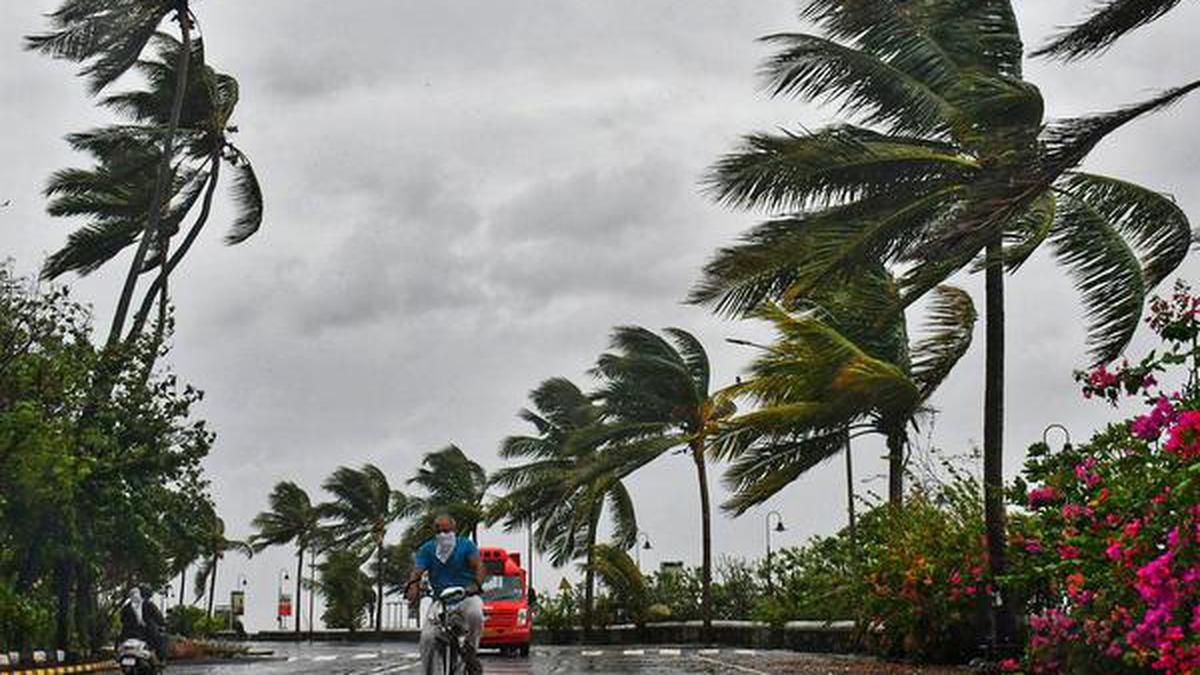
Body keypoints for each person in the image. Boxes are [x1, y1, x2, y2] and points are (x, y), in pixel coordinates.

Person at [406, 515, 486, 675]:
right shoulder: (427, 549)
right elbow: (417, 572)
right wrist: (412, 586)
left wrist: (475, 585)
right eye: (438, 531)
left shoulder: (466, 546)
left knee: (476, 614)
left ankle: (470, 650)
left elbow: (479, 566)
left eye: (446, 530)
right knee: (427, 638)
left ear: (454, 531)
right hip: (440, 600)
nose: (442, 534)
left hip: (466, 596)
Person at [119, 586, 166, 663]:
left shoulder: (126, 608)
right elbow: (159, 618)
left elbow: (122, 620)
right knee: (162, 639)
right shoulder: (149, 605)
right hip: (147, 634)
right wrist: (163, 624)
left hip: (127, 635)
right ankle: (160, 659)